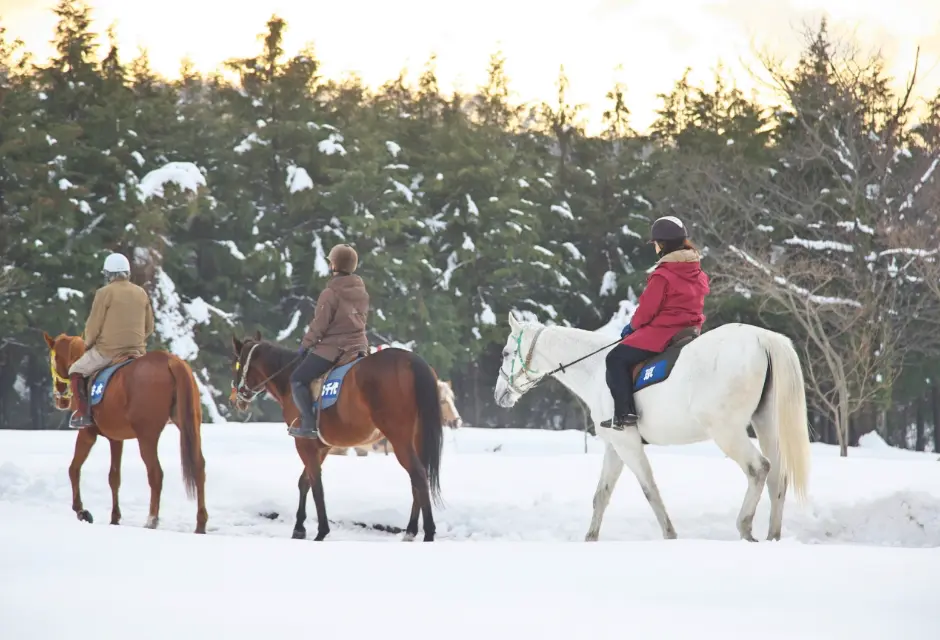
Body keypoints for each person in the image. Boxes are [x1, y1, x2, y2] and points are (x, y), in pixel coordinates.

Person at [602, 216, 710, 430]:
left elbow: (647, 311)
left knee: (615, 358)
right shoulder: (698, 272)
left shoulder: (662, 275)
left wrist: (631, 328)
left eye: (656, 243)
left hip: (663, 332)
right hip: (690, 331)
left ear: (662, 244)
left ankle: (625, 413)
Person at [289, 243, 370, 439]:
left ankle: (308, 424)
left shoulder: (330, 293)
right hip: (359, 347)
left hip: (335, 349)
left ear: (334, 265)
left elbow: (320, 325)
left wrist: (306, 345)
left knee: (297, 379)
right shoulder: (362, 292)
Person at [68, 252, 155, 428]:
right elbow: (149, 327)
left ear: (108, 274)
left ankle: (83, 413)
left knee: (75, 370)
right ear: (127, 272)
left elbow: (93, 326)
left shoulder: (104, 293)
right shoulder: (141, 293)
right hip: (137, 352)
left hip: (108, 351)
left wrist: (88, 345)